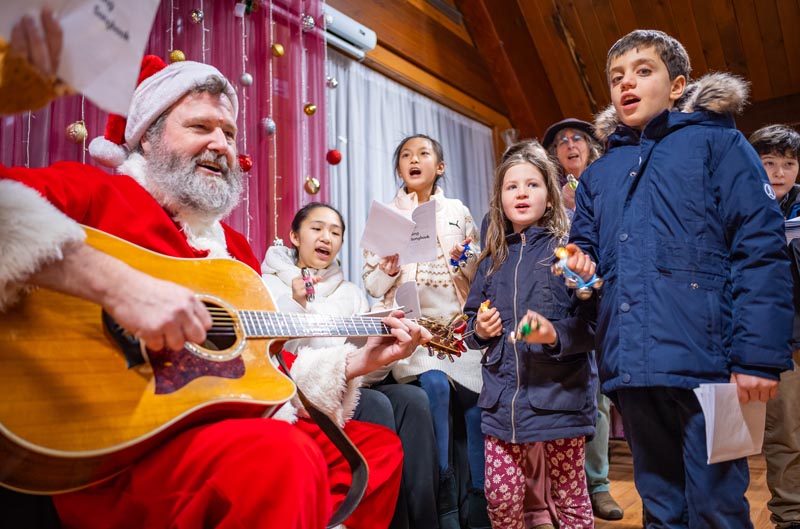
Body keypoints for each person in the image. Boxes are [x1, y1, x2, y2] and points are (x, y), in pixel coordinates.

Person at [0, 54, 431, 529]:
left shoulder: (235, 251)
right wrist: (119, 285)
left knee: (378, 452)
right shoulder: (96, 194)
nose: (220, 144)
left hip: (220, 429)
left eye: (228, 133)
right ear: (148, 134)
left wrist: (356, 363)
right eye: (200, 126)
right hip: (120, 442)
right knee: (282, 459)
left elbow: (260, 367)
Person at [567, 29, 793, 528]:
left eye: (643, 71)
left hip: (709, 364)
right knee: (661, 507)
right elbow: (583, 253)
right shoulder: (599, 174)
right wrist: (576, 268)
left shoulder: (720, 143)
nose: (626, 83)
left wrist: (756, 356)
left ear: (677, 86)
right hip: (634, 366)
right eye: (616, 77)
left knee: (717, 508)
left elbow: (759, 249)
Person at [261, 202, 441, 529]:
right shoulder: (268, 284)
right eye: (317, 229)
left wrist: (384, 352)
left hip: (354, 384)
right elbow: (271, 351)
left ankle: (427, 519)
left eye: (335, 232)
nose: (326, 238)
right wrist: (296, 304)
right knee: (379, 404)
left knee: (414, 401)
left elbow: (371, 371)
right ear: (294, 236)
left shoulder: (351, 292)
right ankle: (392, 521)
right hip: (301, 393)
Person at [463, 140, 596, 529]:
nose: (521, 192)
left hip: (560, 397)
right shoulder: (491, 260)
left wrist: (554, 334)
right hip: (502, 402)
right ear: (499, 200)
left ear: (551, 198)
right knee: (501, 498)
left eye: (532, 185)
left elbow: (592, 323)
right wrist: (480, 330)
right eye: (512, 186)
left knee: (569, 496)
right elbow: (470, 321)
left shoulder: (568, 254)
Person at [362, 134, 488, 529]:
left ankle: (479, 503)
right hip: (414, 332)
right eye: (405, 155)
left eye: (423, 154)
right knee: (433, 384)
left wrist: (460, 257)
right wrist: (389, 268)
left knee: (473, 403)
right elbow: (372, 286)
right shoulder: (386, 216)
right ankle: (444, 496)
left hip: (456, 330)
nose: (414, 160)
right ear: (399, 168)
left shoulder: (456, 210)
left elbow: (476, 266)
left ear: (440, 166)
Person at [542, 119, 622, 522]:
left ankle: (599, 485)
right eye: (561, 142)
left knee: (599, 399)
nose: (570, 145)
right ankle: (564, 490)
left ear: (592, 145)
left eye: (576, 138)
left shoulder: (608, 184)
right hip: (559, 308)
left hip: (601, 302)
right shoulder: (548, 197)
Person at [749, 124, 800, 529]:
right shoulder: (740, 206)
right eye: (769, 162)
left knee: (789, 434)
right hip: (763, 340)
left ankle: (791, 513)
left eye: (788, 162)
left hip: (794, 337)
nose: (780, 172)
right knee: (776, 436)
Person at [541, 119, 604, 217]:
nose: (570, 146)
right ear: (555, 153)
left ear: (589, 147)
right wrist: (563, 206)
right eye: (563, 142)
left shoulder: (608, 178)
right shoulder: (550, 194)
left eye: (576, 139)